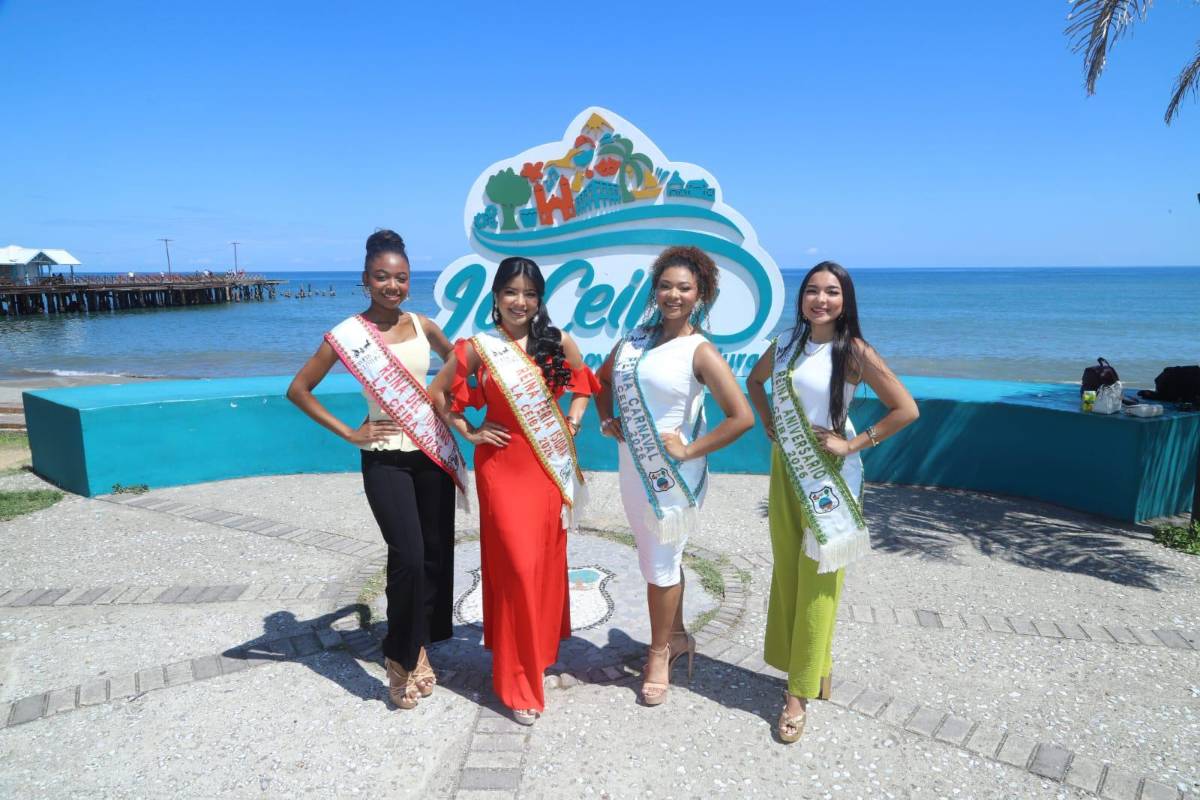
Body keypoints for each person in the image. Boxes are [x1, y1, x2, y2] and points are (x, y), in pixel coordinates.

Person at [287, 229, 466, 710]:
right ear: (365, 279)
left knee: (433, 555)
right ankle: (398, 658)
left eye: (401, 278)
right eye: (383, 277)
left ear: (410, 282)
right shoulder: (347, 336)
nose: (393, 285)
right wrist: (349, 432)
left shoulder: (424, 326)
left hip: (431, 452)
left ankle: (419, 643)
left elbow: (461, 367)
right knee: (406, 555)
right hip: (384, 456)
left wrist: (451, 409)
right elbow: (299, 389)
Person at [747, 261, 918, 743]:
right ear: (801, 298)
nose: (821, 300)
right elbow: (754, 383)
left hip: (830, 477)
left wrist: (853, 443)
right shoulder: (784, 345)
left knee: (820, 580)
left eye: (832, 292)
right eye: (812, 291)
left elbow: (905, 408)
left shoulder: (854, 349)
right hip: (786, 470)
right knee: (789, 570)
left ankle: (797, 693)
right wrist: (769, 423)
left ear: (846, 300)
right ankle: (812, 666)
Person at [429, 256, 597, 725]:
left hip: (546, 466)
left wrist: (576, 418)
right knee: (518, 569)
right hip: (501, 468)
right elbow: (438, 394)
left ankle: (534, 658)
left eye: (529, 294)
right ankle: (517, 682)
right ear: (496, 298)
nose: (520, 302)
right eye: (510, 292)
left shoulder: (556, 341)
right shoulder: (478, 348)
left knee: (543, 563)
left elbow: (584, 385)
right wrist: (469, 430)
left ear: (539, 299)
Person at [595, 246, 754, 706]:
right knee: (661, 559)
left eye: (684, 287)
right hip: (634, 469)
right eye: (665, 285)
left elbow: (740, 416)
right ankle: (679, 634)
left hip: (673, 480)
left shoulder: (700, 350)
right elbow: (600, 380)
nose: (673, 294)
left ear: (700, 293)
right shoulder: (635, 342)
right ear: (654, 290)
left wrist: (690, 448)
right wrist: (607, 418)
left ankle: (659, 652)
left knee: (660, 564)